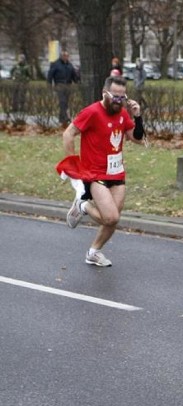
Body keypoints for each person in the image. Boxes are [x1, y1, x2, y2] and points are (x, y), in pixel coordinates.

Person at [62, 75, 145, 267]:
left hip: (117, 174)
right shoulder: (92, 112)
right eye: (115, 97)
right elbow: (68, 134)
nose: (118, 101)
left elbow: (138, 138)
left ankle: (93, 252)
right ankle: (82, 206)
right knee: (111, 217)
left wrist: (138, 116)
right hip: (95, 174)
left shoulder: (123, 114)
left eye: (122, 97)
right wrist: (74, 166)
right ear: (104, 93)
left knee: (112, 220)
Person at [47, 51, 79, 126]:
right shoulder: (55, 64)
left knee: (66, 102)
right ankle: (64, 117)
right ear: (61, 56)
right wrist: (49, 84)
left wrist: (77, 81)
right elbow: (50, 75)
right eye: (64, 56)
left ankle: (62, 117)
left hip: (68, 85)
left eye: (67, 56)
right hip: (59, 84)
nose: (66, 57)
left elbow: (73, 75)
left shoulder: (69, 65)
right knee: (62, 101)